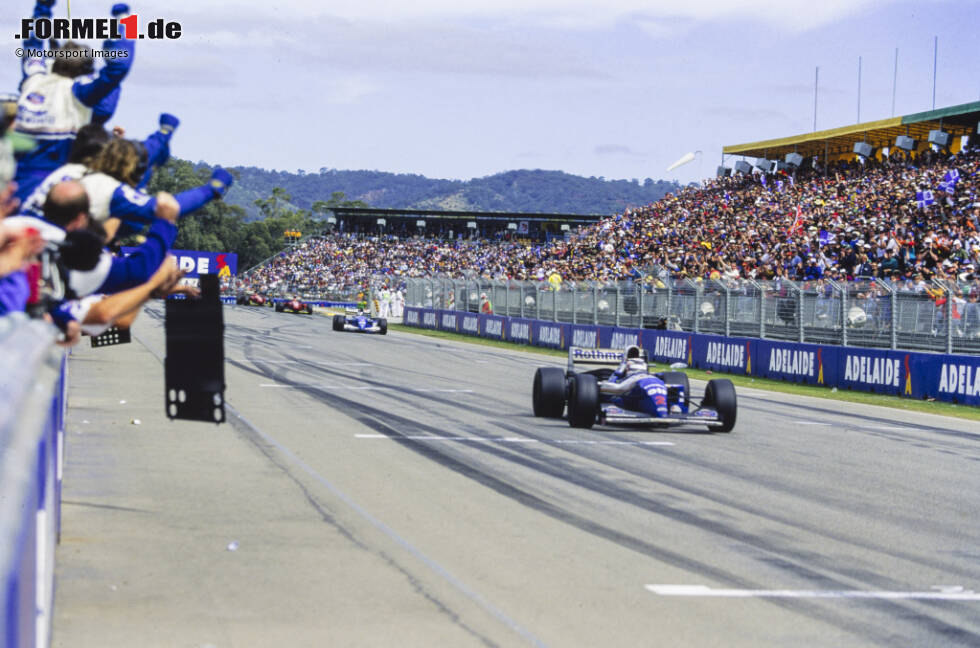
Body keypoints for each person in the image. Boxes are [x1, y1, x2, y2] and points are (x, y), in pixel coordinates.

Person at [13, 1, 136, 201]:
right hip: (49, 193)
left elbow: (33, 43)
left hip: (10, 185)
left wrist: (43, 7)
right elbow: (118, 68)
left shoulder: (32, 79)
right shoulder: (79, 94)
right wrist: (125, 20)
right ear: (84, 73)